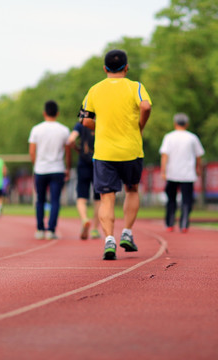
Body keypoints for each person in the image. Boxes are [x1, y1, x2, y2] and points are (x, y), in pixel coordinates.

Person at [81, 49, 152, 260]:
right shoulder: (136, 86)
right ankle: (127, 233)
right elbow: (146, 106)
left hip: (103, 152)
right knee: (131, 190)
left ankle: (109, 240)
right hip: (131, 149)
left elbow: (84, 120)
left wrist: (99, 126)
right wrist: (140, 125)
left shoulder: (94, 90)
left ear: (105, 69)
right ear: (126, 67)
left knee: (106, 197)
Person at [28, 100, 71, 240]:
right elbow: (68, 152)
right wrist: (68, 168)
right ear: (57, 113)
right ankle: (51, 230)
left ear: (44, 113)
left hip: (40, 169)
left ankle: (40, 229)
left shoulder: (36, 129)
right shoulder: (64, 130)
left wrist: (36, 165)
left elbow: (32, 151)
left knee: (40, 200)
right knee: (55, 200)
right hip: (58, 169)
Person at [159, 113, 205, 233]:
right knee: (187, 200)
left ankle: (170, 223)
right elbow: (199, 156)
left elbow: (164, 155)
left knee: (171, 199)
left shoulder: (169, 137)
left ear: (175, 123)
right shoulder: (192, 137)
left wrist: (163, 171)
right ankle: (184, 224)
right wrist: (198, 168)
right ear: (187, 124)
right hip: (188, 174)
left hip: (172, 173)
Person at [67, 117, 101, 240]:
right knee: (99, 198)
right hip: (99, 163)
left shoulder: (80, 125)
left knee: (81, 197)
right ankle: (95, 229)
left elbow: (70, 140)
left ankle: (84, 219)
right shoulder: (102, 123)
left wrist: (78, 149)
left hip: (83, 164)